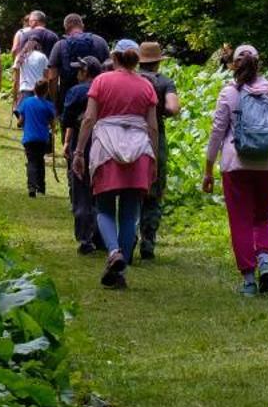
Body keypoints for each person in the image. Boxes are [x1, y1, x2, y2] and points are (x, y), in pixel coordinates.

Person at [201, 42, 268, 294]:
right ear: (259, 63)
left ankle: (248, 281)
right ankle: (265, 261)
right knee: (263, 217)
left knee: (240, 221)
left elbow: (216, 132)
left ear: (233, 64)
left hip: (236, 164)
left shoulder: (229, 93)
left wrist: (208, 169)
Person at [77, 39, 158, 288]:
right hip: (138, 151)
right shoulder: (146, 86)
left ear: (114, 57)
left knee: (103, 208)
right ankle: (119, 272)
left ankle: (114, 253)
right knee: (130, 212)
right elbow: (152, 126)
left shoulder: (101, 81)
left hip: (107, 149)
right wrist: (153, 158)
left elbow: (90, 117)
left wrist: (79, 151)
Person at [136, 40, 181, 260]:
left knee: (131, 188)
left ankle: (127, 236)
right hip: (156, 137)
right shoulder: (164, 82)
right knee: (154, 190)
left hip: (129, 136)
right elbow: (173, 108)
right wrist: (159, 110)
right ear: (158, 62)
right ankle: (148, 241)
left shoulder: (130, 79)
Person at [61, 55, 102, 253]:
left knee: (82, 190)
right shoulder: (106, 88)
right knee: (101, 191)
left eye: (79, 70)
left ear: (85, 72)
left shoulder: (77, 92)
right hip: (105, 143)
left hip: (82, 142)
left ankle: (85, 238)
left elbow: (67, 118)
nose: (76, 73)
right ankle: (103, 236)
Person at [46, 13, 110, 107]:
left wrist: (54, 103)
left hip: (69, 99)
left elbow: (52, 77)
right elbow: (109, 70)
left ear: (66, 28)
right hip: (97, 97)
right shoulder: (100, 41)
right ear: (82, 26)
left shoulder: (60, 45)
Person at [20, 79, 57, 196]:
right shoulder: (48, 105)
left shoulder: (26, 102)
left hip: (29, 138)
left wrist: (20, 123)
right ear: (46, 91)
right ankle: (41, 187)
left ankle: (32, 186)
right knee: (40, 161)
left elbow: (21, 121)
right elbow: (52, 124)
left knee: (31, 161)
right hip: (42, 138)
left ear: (34, 89)